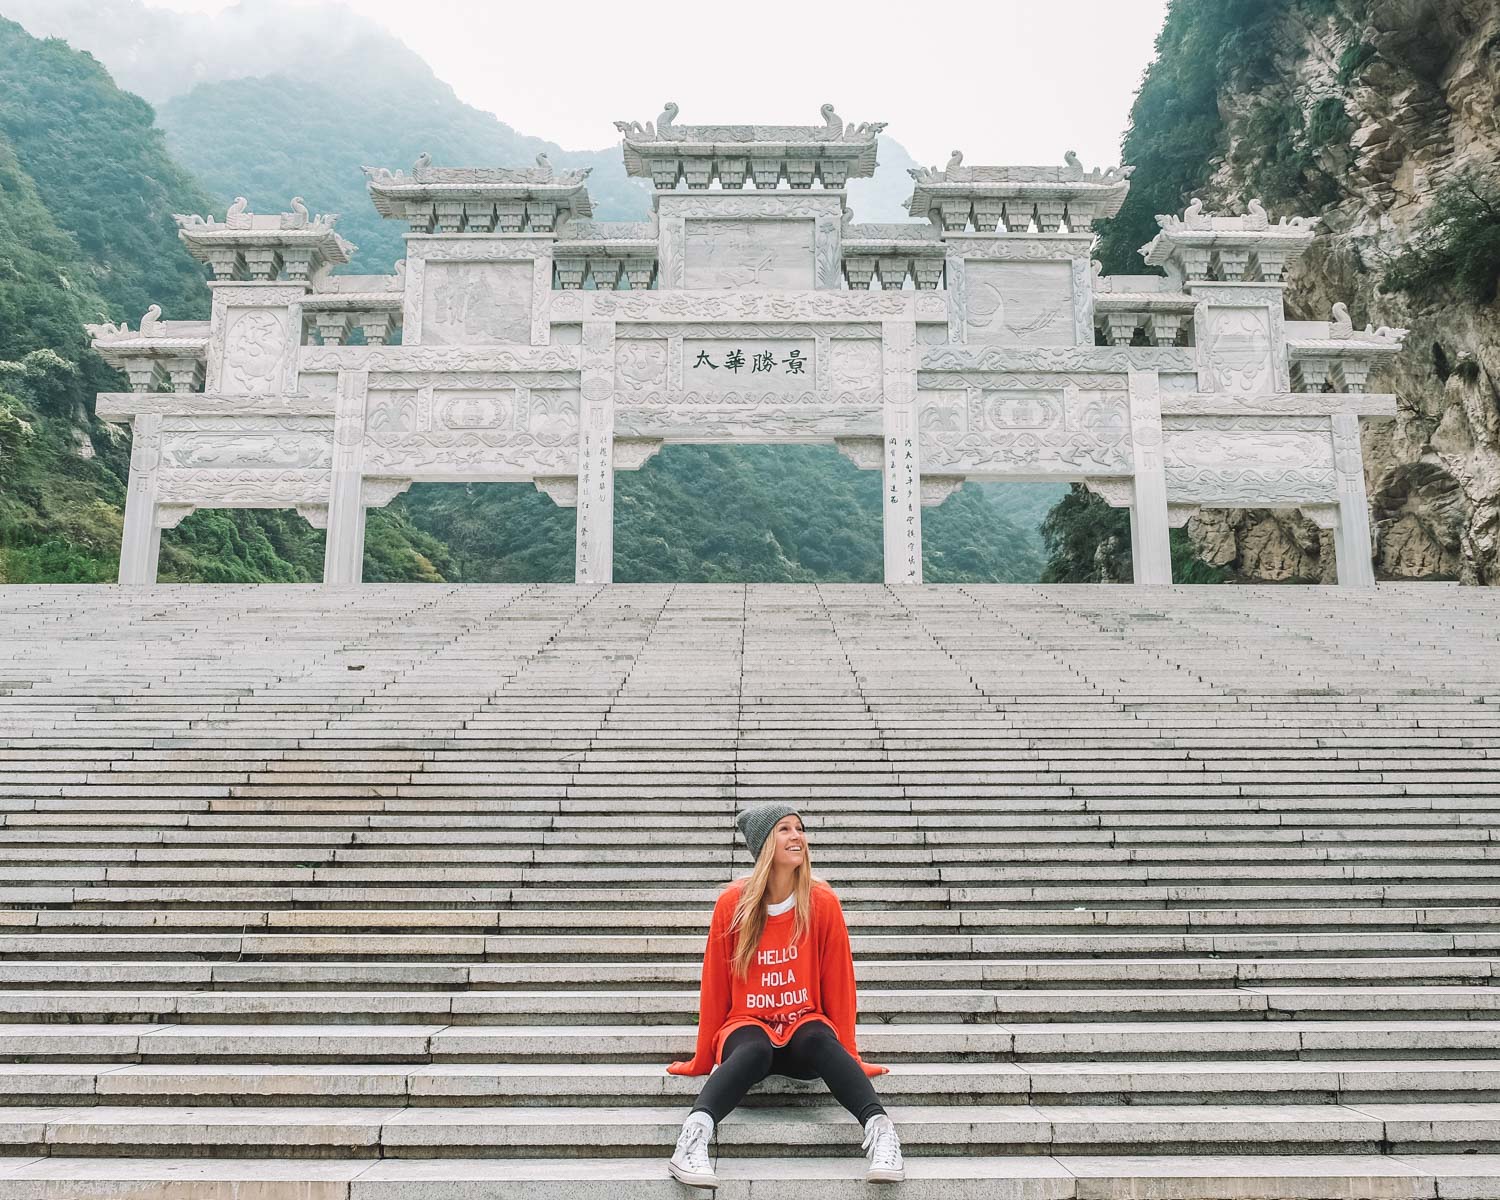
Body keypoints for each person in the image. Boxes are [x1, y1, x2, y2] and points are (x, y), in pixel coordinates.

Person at [665, 801, 904, 1188]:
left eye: (799, 828)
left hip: (802, 1029)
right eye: (785, 830)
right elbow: (715, 986)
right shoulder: (734, 904)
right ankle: (692, 1140)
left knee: (816, 1036)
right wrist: (702, 1059)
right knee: (755, 1047)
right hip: (747, 1027)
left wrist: (851, 1054)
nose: (798, 837)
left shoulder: (821, 901)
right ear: (764, 846)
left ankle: (883, 1133)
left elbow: (840, 985)